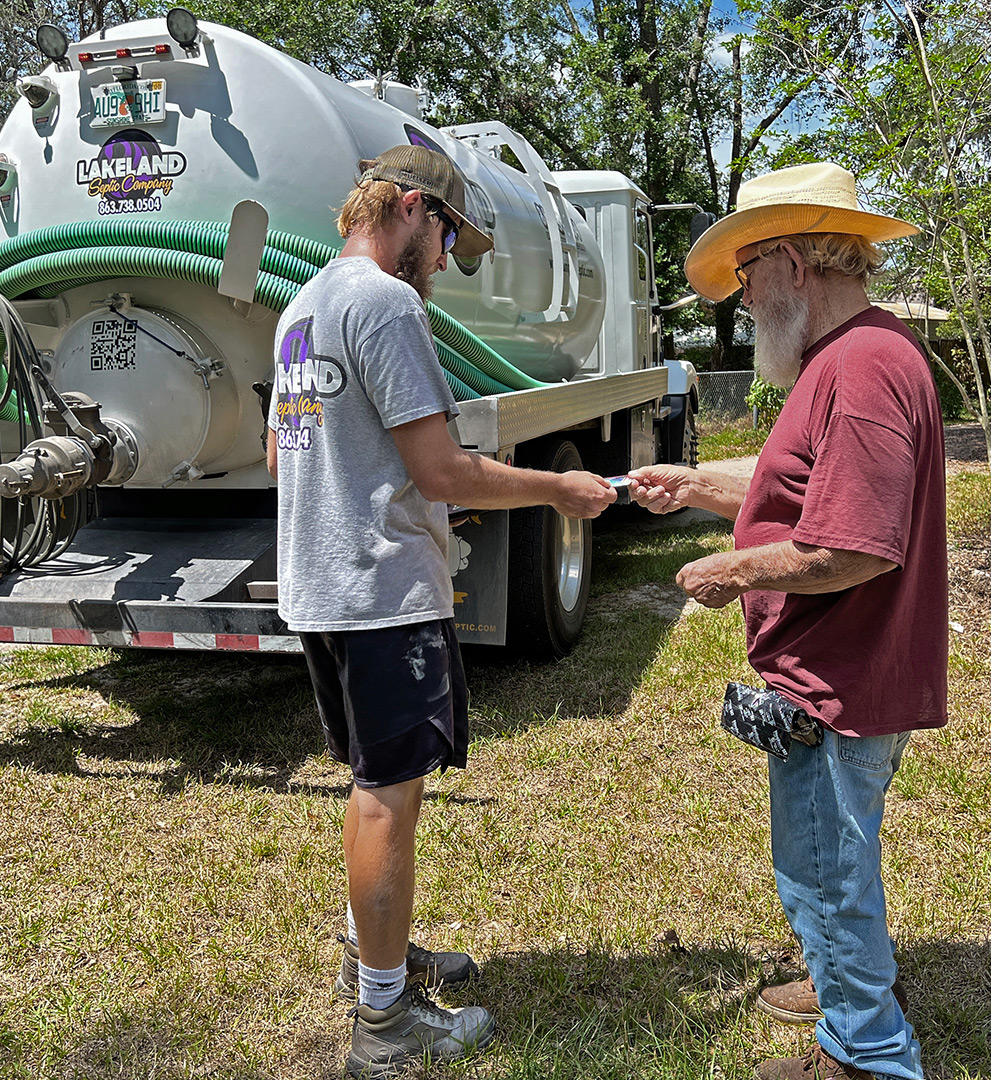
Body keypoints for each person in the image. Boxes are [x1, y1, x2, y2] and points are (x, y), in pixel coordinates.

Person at [267, 144, 616, 1078]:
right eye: (448, 238)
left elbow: (282, 459)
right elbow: (443, 470)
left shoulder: (300, 308)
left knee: (371, 787)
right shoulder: (385, 303)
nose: (442, 264)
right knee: (391, 798)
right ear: (413, 208)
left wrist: (382, 490)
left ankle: (372, 958)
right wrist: (559, 488)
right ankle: (384, 1022)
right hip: (382, 593)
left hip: (321, 587)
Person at [629, 162, 946, 1080]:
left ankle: (865, 1051)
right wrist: (694, 485)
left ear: (795, 264)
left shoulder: (865, 367)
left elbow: (855, 547)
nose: (742, 292)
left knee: (826, 866)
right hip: (832, 670)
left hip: (841, 678)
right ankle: (842, 978)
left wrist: (731, 570)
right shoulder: (844, 358)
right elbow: (797, 487)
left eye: (748, 270)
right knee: (819, 855)